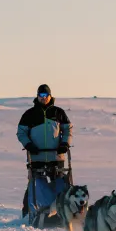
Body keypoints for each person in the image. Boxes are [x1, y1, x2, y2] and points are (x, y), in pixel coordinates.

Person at [17, 84, 71, 221]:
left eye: (45, 95)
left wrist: (65, 143)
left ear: (50, 96)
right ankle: (29, 212)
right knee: (35, 183)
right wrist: (28, 145)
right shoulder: (29, 114)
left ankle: (61, 210)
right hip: (36, 156)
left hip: (56, 155)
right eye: (40, 96)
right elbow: (21, 132)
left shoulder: (58, 112)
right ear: (37, 96)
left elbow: (68, 129)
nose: (43, 98)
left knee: (60, 181)